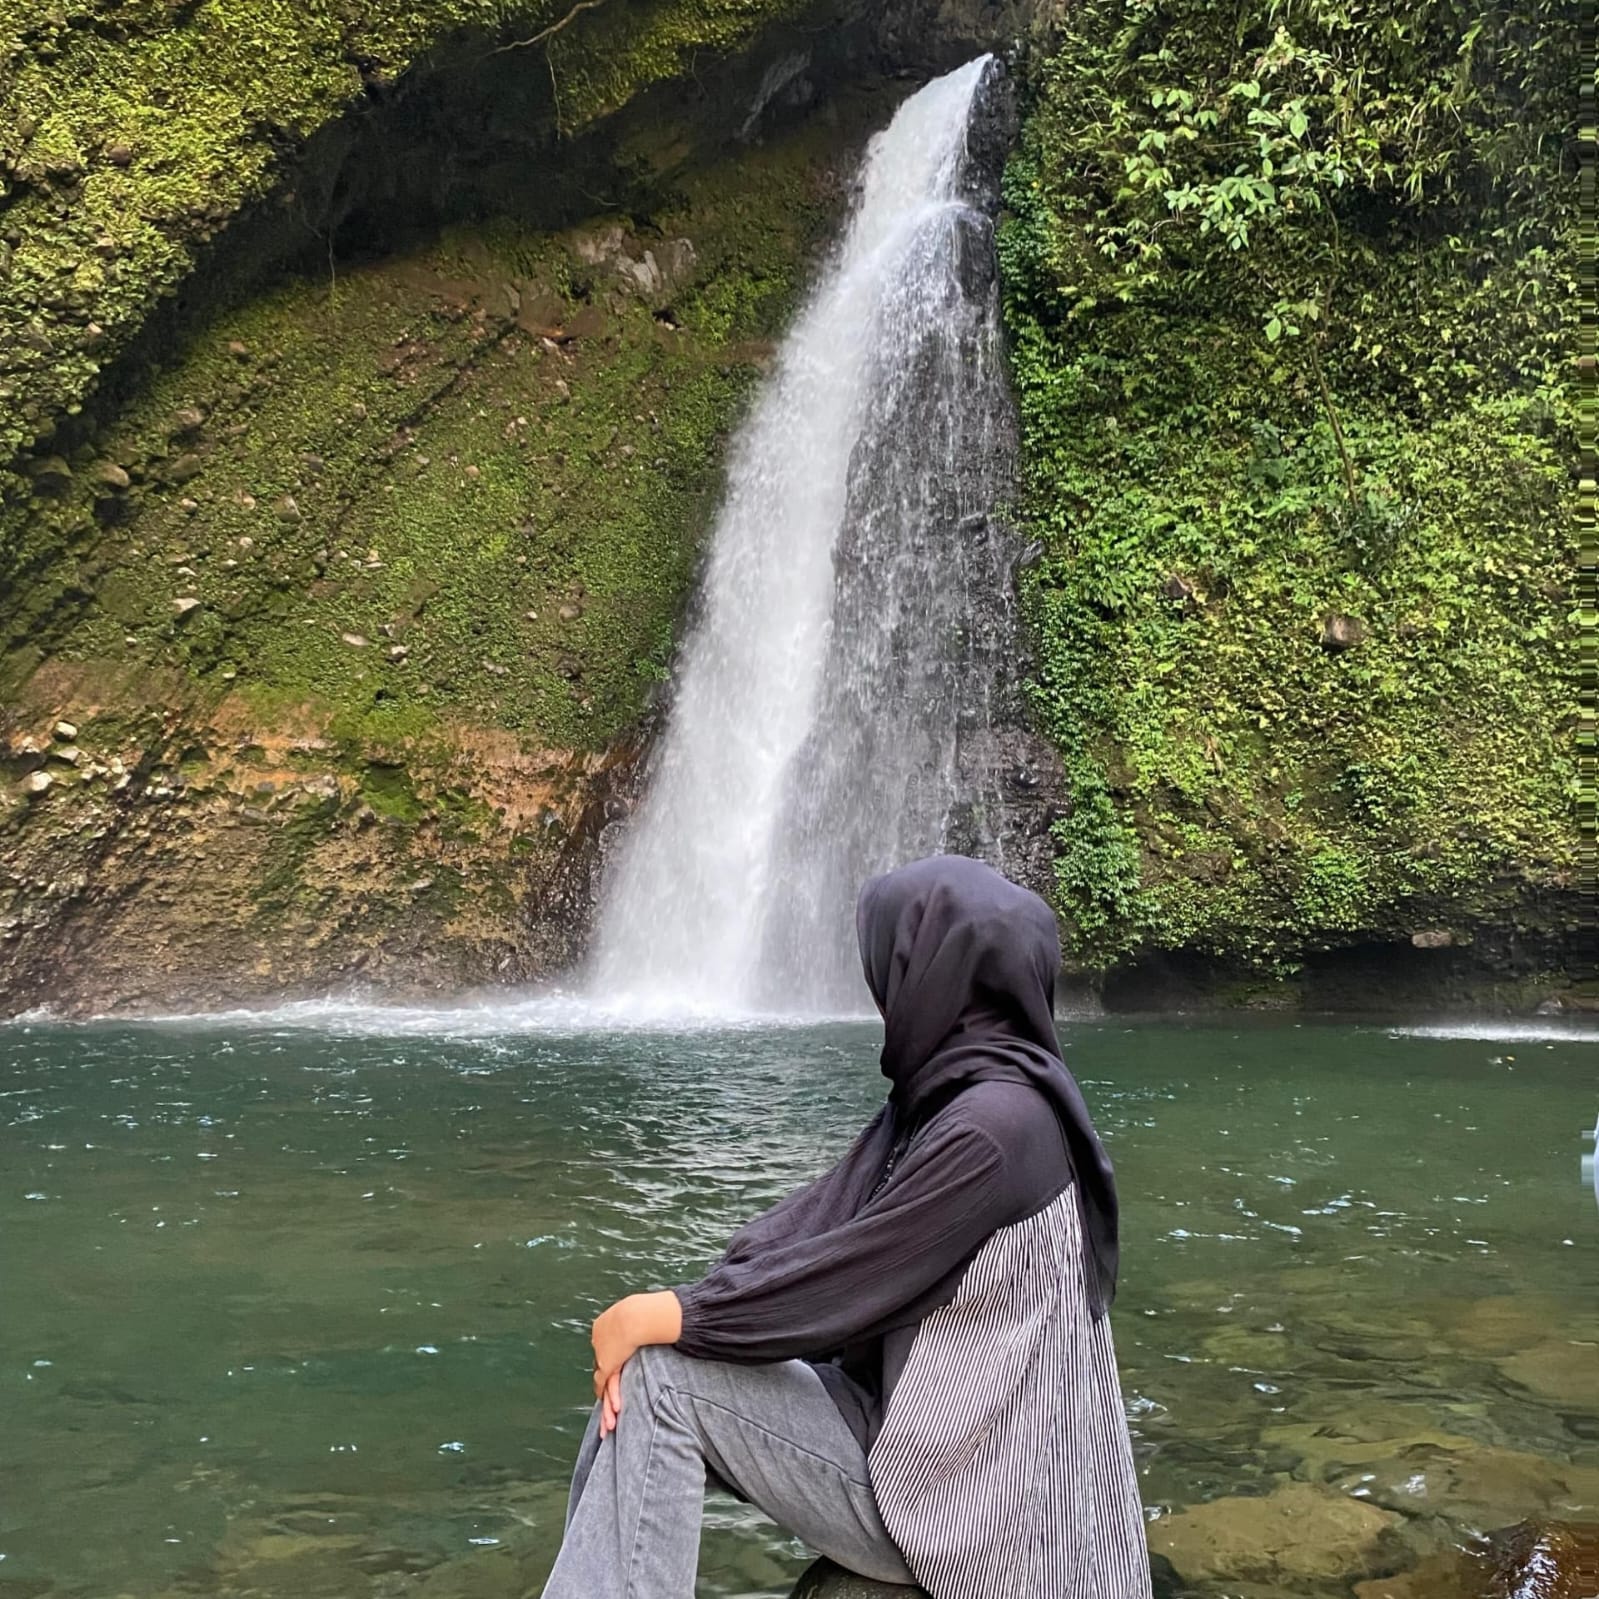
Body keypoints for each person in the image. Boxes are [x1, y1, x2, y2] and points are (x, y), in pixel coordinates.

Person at [542, 854, 1151, 1599]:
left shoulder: (993, 1128)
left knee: (662, 1375)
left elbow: (847, 1279)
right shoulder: (955, 1096)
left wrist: (676, 1315)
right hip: (928, 1447)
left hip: (973, 1513)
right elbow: (809, 1230)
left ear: (932, 972)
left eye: (891, 962)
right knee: (654, 1360)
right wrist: (688, 1305)